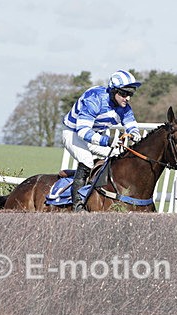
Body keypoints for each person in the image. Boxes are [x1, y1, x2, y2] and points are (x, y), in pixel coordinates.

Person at [62, 69, 143, 211]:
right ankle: (77, 206)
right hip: (73, 134)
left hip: (95, 136)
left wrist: (134, 133)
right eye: (124, 94)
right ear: (113, 91)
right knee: (86, 160)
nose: (128, 98)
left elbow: (130, 122)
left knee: (119, 155)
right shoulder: (94, 99)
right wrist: (107, 141)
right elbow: (82, 131)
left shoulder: (123, 106)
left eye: (130, 94)